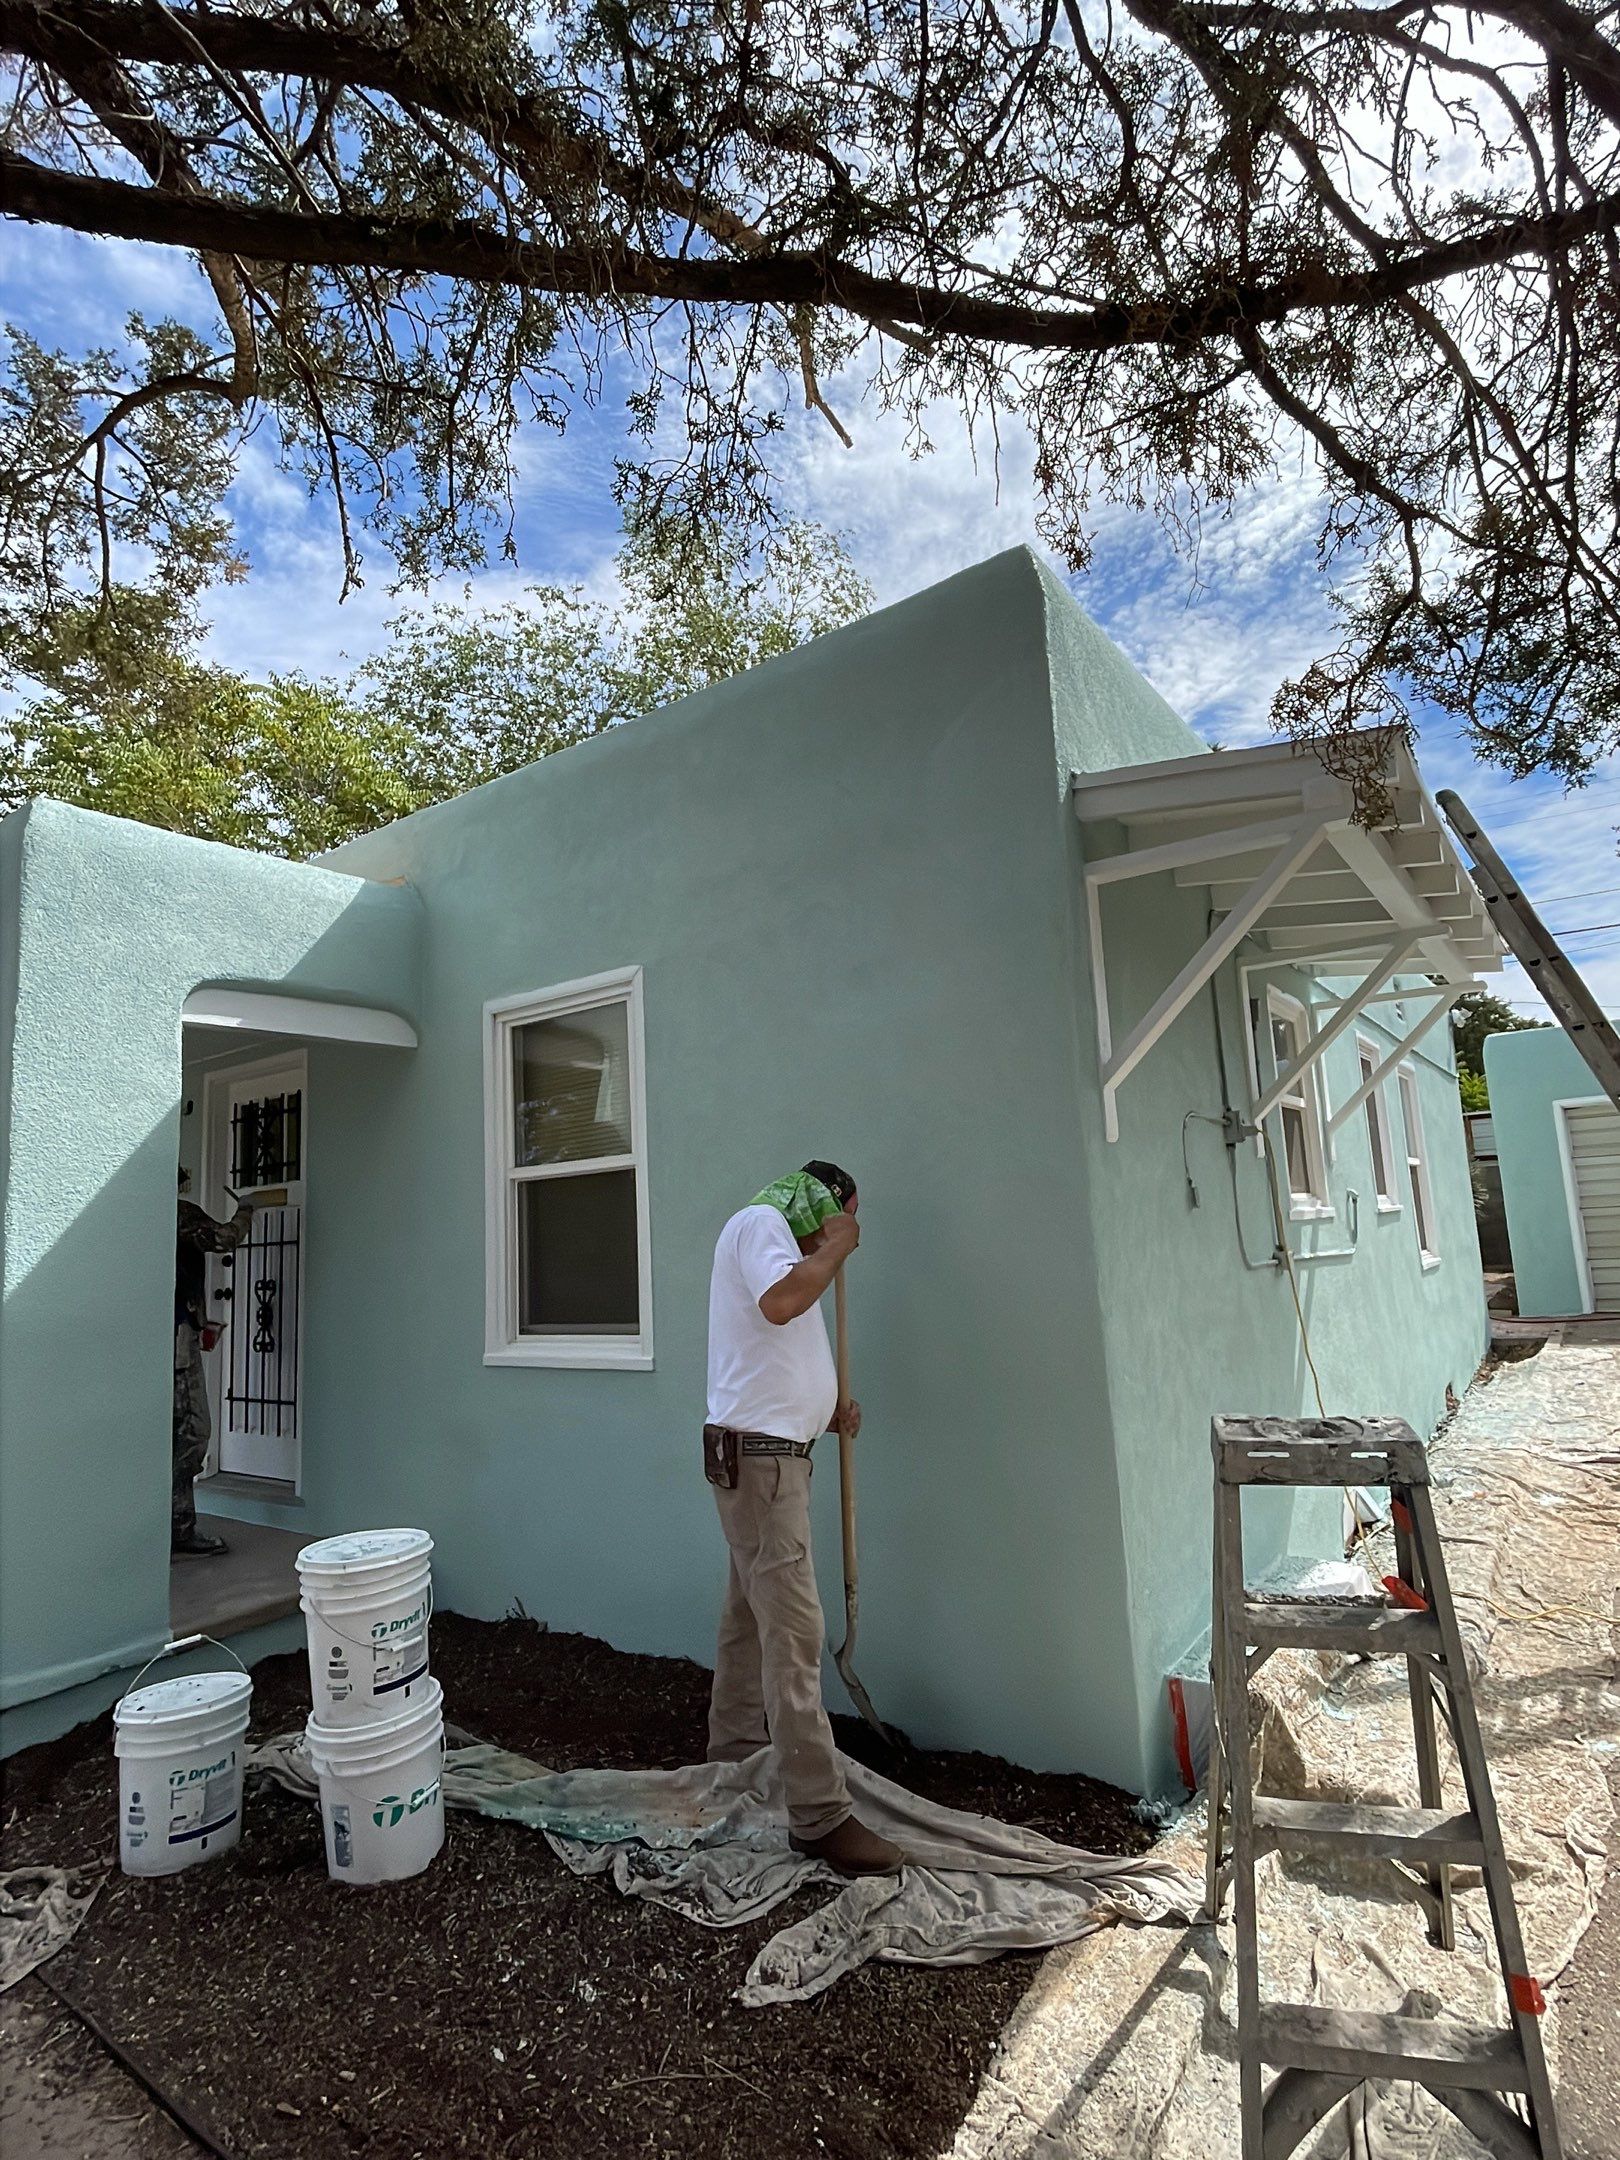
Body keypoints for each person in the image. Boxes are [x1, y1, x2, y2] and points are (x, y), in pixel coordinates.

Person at [703, 1160, 904, 1877]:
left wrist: (823, 1414)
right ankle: (819, 1817)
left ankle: (730, 1759)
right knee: (793, 1629)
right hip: (760, 1463)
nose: (838, 1228)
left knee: (749, 1618)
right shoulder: (762, 1224)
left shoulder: (785, 1248)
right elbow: (781, 1305)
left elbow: (771, 1355)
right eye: (839, 1213)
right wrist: (837, 1247)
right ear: (816, 1201)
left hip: (769, 1454)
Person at [172, 1169, 256, 1557]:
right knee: (192, 1433)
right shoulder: (177, 1214)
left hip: (162, 1336)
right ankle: (179, 1529)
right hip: (176, 1342)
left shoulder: (141, 1216)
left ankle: (169, 1528)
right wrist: (246, 1210)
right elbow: (224, 1238)